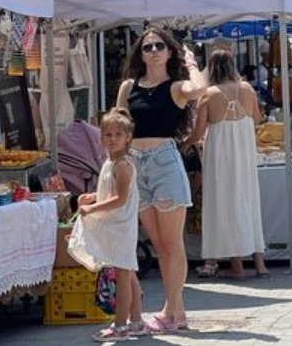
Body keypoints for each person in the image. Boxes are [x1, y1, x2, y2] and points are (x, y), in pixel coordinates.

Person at [115, 27, 206, 334]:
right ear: (140, 54)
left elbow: (201, 89)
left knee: (171, 242)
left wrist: (191, 62)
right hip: (135, 164)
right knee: (158, 243)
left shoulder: (177, 87)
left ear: (169, 52)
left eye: (159, 46)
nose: (153, 50)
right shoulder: (129, 87)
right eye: (146, 46)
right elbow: (118, 125)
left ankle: (171, 308)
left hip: (165, 161)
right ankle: (176, 313)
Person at [189, 50, 269, 280]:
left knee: (224, 205)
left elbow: (198, 132)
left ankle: (237, 265)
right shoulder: (247, 89)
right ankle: (260, 264)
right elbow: (257, 119)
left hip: (219, 158)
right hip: (244, 155)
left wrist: (184, 143)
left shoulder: (209, 94)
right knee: (249, 203)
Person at [70, 108, 146, 342]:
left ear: (127, 138)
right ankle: (137, 321)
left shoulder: (122, 165)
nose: (112, 140)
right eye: (107, 135)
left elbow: (120, 198)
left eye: (117, 135)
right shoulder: (109, 162)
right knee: (127, 270)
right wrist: (92, 197)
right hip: (116, 224)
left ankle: (121, 325)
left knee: (123, 277)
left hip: (120, 225)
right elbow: (109, 192)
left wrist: (92, 208)